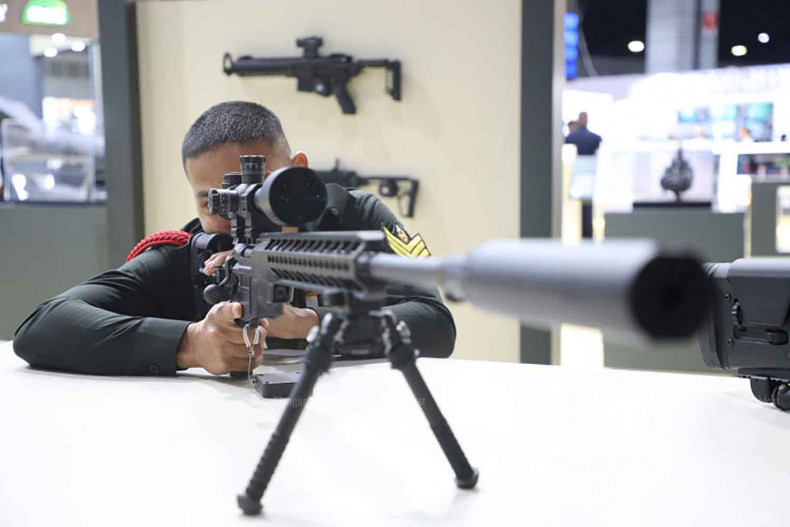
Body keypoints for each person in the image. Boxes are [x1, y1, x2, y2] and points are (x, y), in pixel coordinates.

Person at [13, 101, 456, 376]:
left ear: (298, 169)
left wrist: (316, 325)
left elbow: (435, 325)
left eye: (262, 193)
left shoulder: (353, 218)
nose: (237, 217)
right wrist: (190, 344)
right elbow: (42, 328)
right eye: (214, 202)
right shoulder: (190, 253)